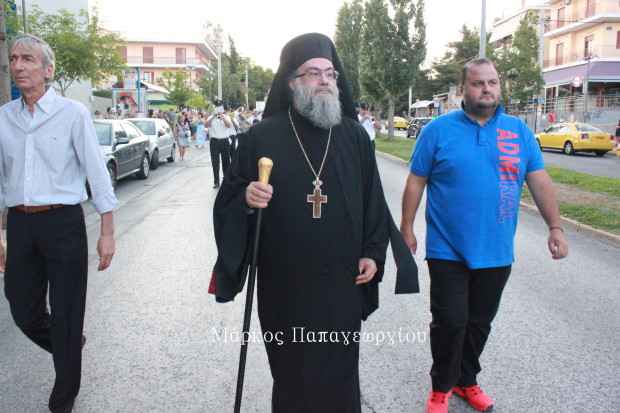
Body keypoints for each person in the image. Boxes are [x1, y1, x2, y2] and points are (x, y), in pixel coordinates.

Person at [210, 33, 418, 412]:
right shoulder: (261, 136)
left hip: (341, 281)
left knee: (340, 378)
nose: (324, 80)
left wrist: (372, 252)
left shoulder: (355, 137)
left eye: (330, 73)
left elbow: (373, 201)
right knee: (292, 377)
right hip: (283, 286)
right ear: (291, 84)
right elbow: (229, 200)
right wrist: (246, 199)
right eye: (313, 73)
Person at [400, 58, 569, 413]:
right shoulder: (437, 130)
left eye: (492, 82)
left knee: (479, 323)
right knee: (450, 321)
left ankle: (466, 380)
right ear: (463, 89)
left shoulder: (518, 131)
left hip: (497, 248)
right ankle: (441, 387)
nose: (487, 89)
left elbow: (538, 180)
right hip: (447, 247)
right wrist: (407, 228)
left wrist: (555, 226)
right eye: (478, 83)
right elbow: (416, 180)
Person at [0, 33, 117, 413]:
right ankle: (68, 345)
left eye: (28, 59)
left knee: (67, 311)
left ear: (48, 70)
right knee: (22, 309)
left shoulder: (72, 113)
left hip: (63, 222)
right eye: (13, 58)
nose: (18, 66)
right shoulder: (3, 118)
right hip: (20, 224)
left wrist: (107, 233)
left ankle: (63, 399)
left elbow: (96, 174)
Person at [205, 101, 232, 188]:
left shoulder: (227, 117)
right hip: (214, 141)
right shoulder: (211, 117)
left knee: (226, 161)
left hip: (224, 141)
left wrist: (222, 116)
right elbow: (206, 125)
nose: (218, 108)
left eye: (220, 106)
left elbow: (229, 125)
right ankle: (216, 181)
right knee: (215, 162)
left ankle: (226, 180)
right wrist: (214, 116)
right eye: (217, 106)